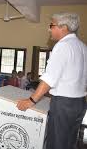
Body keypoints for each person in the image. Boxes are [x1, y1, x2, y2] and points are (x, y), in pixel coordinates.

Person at [17, 13, 87, 149]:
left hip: (64, 104)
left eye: (52, 26)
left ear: (64, 27)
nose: (49, 29)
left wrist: (30, 101)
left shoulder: (63, 46)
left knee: (56, 144)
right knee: (69, 143)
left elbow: (50, 78)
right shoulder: (83, 47)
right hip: (79, 103)